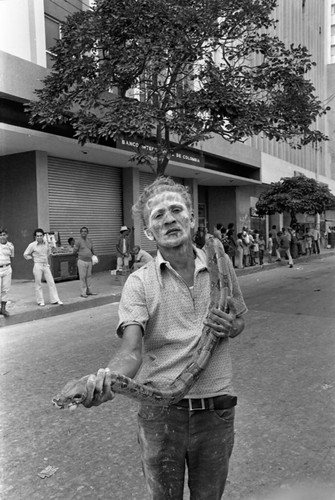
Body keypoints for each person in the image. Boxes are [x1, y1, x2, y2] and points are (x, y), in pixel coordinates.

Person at [76, 177, 247, 500]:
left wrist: (230, 326)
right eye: (158, 215)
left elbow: (239, 321)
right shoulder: (139, 283)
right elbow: (131, 351)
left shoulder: (221, 268)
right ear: (149, 232)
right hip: (161, 415)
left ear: (191, 219)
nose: (169, 218)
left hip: (216, 410)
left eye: (176, 210)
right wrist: (108, 381)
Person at [23, 228, 63, 306]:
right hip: (37, 265)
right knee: (38, 283)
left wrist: (45, 258)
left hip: (45, 264)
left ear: (43, 236)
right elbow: (25, 254)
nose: (39, 237)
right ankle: (40, 301)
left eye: (41, 236)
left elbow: (48, 252)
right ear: (35, 237)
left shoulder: (46, 244)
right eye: (37, 236)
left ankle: (55, 299)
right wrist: (32, 258)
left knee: (51, 282)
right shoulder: (32, 245)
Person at [73, 226, 97, 298]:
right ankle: (83, 293)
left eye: (85, 231)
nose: (84, 233)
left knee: (89, 276)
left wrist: (94, 256)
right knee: (82, 277)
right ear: (80, 233)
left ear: (87, 233)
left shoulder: (90, 241)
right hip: (81, 261)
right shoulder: (78, 241)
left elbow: (92, 250)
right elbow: (74, 251)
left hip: (89, 261)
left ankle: (89, 291)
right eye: (82, 231)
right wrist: (79, 257)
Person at [0, 228, 14, 317]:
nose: (2, 237)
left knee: (5, 289)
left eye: (4, 235)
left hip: (7, 268)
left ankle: (3, 309)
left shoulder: (11, 246)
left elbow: (12, 257)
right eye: (0, 235)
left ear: (7, 236)